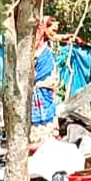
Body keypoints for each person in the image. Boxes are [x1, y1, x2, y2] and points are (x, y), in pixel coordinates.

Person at [31, 16, 59, 144]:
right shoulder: (37, 48)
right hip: (39, 91)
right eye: (53, 30)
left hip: (48, 93)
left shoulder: (48, 48)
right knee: (38, 130)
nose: (55, 34)